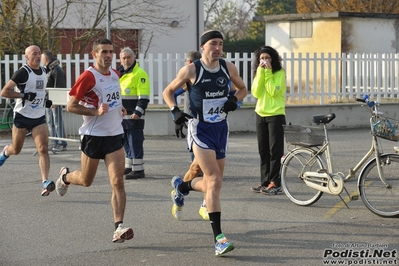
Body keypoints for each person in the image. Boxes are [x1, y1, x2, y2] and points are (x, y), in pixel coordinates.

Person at [162, 30, 248, 256]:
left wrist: (234, 99)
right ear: (203, 47)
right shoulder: (192, 70)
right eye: (213, 44)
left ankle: (181, 187)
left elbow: (243, 89)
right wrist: (175, 112)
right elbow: (167, 91)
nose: (217, 48)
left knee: (215, 185)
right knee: (213, 179)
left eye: (221, 44)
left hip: (221, 128)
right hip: (199, 129)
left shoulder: (228, 68)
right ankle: (219, 239)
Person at [55, 38, 134, 243]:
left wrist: (120, 108)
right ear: (94, 55)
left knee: (117, 181)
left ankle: (119, 227)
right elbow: (70, 106)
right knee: (86, 180)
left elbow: (113, 98)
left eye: (110, 52)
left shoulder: (115, 74)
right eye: (104, 52)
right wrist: (94, 111)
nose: (108, 56)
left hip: (114, 135)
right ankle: (65, 177)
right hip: (93, 136)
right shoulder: (88, 77)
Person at [0, 45, 55, 196]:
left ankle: (45, 182)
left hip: (38, 116)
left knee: (43, 148)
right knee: (16, 150)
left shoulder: (44, 71)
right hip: (22, 116)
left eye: (39, 53)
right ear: (27, 57)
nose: (38, 56)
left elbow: (40, 91)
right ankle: (5, 152)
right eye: (34, 54)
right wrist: (23, 95)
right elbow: (4, 92)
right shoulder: (23, 72)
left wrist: (46, 102)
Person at [171, 50, 209, 221]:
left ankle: (203, 203)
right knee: (197, 169)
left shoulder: (210, 77)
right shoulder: (186, 81)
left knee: (207, 171)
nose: (186, 65)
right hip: (194, 127)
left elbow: (235, 92)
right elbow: (171, 93)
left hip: (215, 128)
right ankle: (180, 191)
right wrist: (176, 117)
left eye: (188, 62)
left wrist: (235, 102)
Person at [250, 45, 286, 195]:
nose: (265, 60)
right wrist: (260, 72)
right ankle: (265, 181)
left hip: (276, 114)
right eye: (262, 58)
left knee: (275, 150)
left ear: (273, 59)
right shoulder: (259, 72)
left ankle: (275, 182)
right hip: (261, 113)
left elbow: (273, 91)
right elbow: (256, 93)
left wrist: (269, 73)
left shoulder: (279, 73)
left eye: (268, 58)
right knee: (263, 150)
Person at [117, 47, 150, 180]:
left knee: (135, 141)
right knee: (125, 141)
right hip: (122, 115)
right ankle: (129, 165)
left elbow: (144, 96)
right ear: (120, 59)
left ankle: (138, 170)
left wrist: (138, 112)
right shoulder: (118, 73)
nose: (126, 60)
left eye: (128, 57)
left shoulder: (139, 74)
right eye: (123, 58)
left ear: (134, 57)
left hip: (134, 115)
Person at [41, 50, 68, 152]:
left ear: (45, 59)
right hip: (48, 99)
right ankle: (54, 143)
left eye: (42, 59)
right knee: (50, 122)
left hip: (54, 100)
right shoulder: (49, 69)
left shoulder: (56, 70)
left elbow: (59, 86)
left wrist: (56, 101)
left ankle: (61, 143)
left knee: (57, 122)